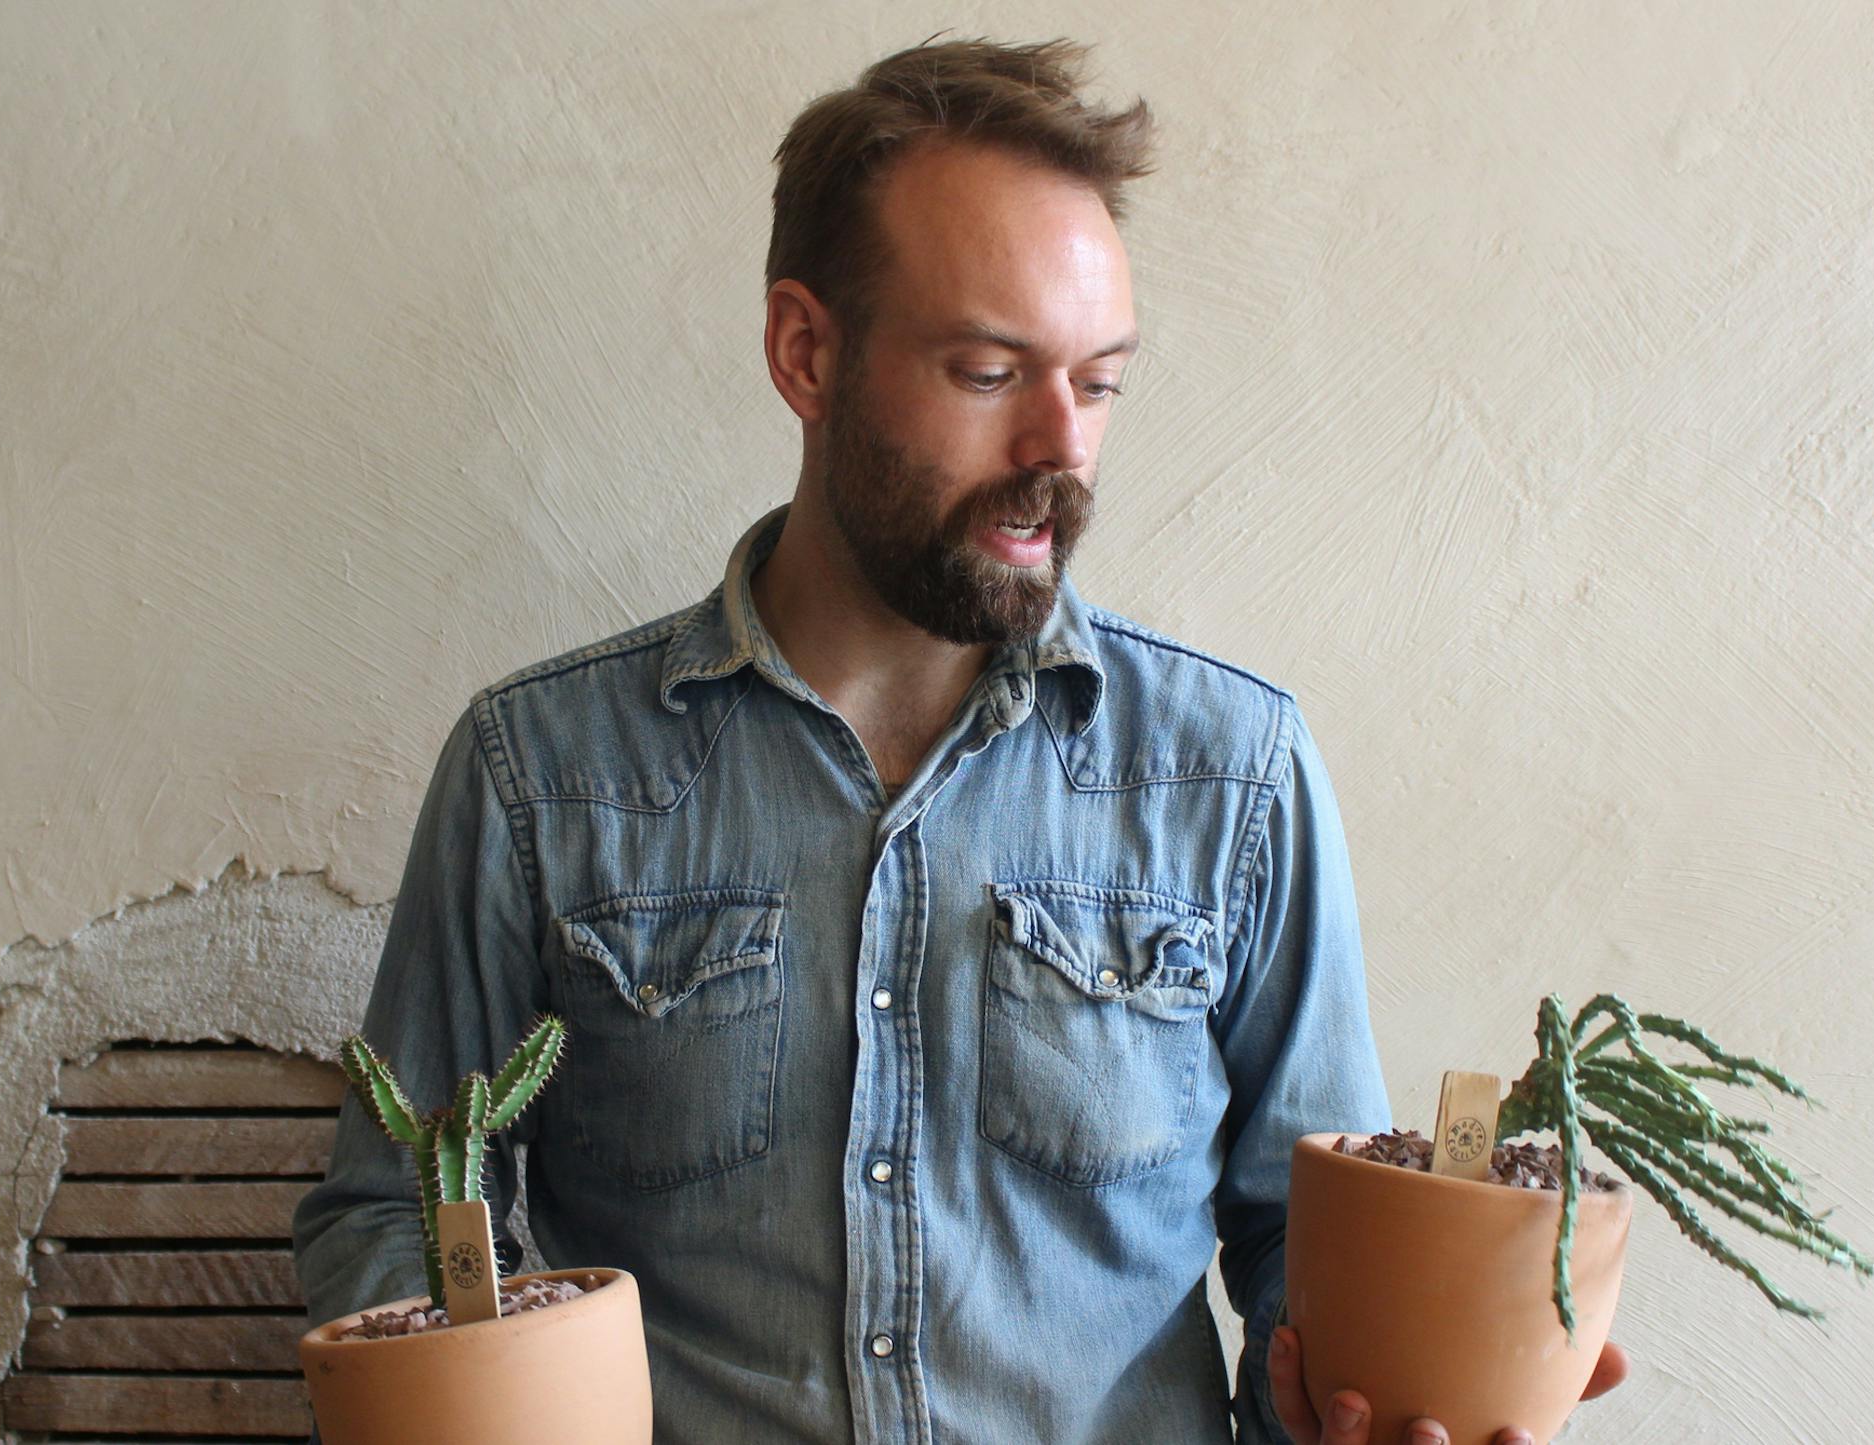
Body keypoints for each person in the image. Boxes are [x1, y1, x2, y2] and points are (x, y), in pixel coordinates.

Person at [292, 35, 1625, 1444]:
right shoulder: (541, 775)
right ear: (807, 352)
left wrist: (1380, 1388)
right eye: (991, 370)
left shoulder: (1233, 775)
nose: (1060, 446)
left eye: (1098, 383)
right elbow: (399, 1208)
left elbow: (1312, 1240)